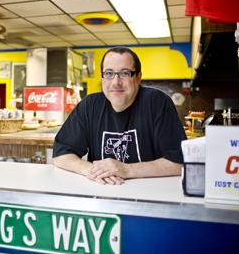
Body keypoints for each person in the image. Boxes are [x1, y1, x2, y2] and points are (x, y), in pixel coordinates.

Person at [53, 46, 186, 185]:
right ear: (102, 77)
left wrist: (126, 170)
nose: (116, 82)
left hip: (149, 195)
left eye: (124, 73)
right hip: (102, 195)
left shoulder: (157, 103)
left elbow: (179, 162)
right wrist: (91, 170)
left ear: (138, 78)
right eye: (109, 73)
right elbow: (60, 154)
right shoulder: (90, 105)